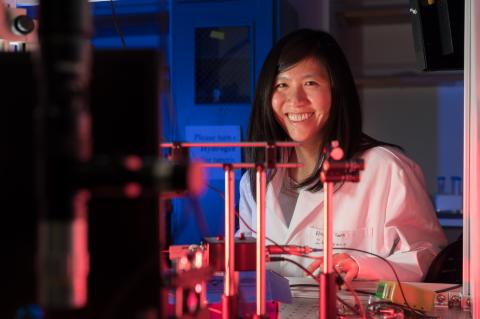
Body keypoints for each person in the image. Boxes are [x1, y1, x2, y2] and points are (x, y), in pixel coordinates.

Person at [237, 29, 447, 284]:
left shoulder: (386, 168)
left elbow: (428, 257)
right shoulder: (257, 179)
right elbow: (245, 261)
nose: (295, 100)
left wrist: (361, 266)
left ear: (337, 92)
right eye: (282, 84)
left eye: (310, 83)